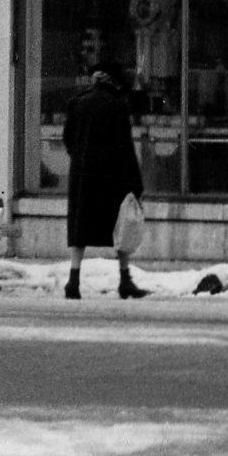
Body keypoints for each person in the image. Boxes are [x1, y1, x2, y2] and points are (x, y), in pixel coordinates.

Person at [59, 37, 147, 302]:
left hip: (83, 177)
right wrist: (136, 185)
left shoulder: (78, 103)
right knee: (121, 227)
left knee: (80, 229)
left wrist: (81, 159)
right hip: (111, 179)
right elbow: (125, 148)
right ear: (113, 81)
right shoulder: (117, 106)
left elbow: (68, 139)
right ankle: (125, 280)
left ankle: (73, 281)